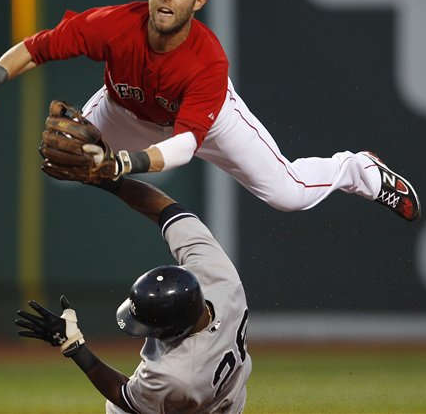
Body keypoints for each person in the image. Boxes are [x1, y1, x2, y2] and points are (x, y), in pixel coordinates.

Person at [0, 0, 420, 222]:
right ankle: (105, 157)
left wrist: (125, 162)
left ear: (199, 2)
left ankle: (358, 171)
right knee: (76, 153)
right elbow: (37, 46)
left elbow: (187, 144)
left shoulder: (207, 60)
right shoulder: (112, 25)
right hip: (122, 110)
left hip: (206, 125)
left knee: (287, 194)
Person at [15, 176, 252, 413]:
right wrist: (107, 178)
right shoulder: (221, 278)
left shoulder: (175, 375)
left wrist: (75, 346)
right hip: (229, 398)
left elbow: (122, 394)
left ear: (174, 331)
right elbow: (165, 208)